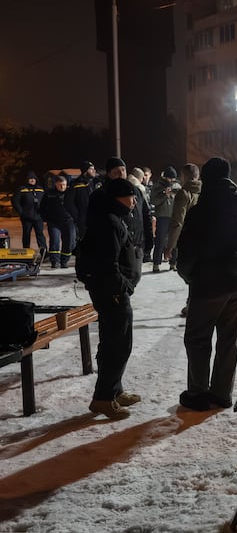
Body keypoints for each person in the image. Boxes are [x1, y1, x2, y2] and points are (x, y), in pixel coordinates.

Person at [175, 157, 237, 411]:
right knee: (228, 340)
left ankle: (198, 394)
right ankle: (222, 393)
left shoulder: (200, 211)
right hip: (235, 286)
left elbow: (186, 252)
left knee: (198, 339)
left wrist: (191, 276)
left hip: (206, 286)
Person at [75, 177, 142, 420]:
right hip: (112, 293)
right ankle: (103, 398)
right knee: (118, 344)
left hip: (112, 291)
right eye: (130, 196)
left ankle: (114, 390)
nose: (134, 200)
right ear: (118, 198)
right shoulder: (109, 222)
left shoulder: (112, 219)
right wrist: (123, 286)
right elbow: (107, 264)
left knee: (115, 341)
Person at [165, 163, 202, 317]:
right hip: (204, 239)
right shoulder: (205, 191)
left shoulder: (184, 193)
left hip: (188, 240)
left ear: (184, 176)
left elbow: (177, 222)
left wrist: (170, 246)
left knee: (188, 272)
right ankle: (194, 302)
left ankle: (193, 304)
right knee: (198, 273)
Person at [39, 174, 76, 268]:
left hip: (68, 221)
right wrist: (45, 218)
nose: (62, 187)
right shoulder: (49, 194)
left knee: (69, 241)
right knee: (54, 241)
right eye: (60, 185)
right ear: (55, 184)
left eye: (64, 184)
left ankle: (64, 261)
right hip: (53, 222)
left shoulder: (70, 193)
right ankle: (55, 261)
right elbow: (42, 207)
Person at [12, 171, 47, 250]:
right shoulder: (21, 189)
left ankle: (44, 252)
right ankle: (26, 251)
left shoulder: (40, 189)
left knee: (40, 234)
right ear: (27, 180)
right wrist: (21, 212)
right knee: (26, 234)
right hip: (26, 217)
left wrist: (44, 212)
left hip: (38, 217)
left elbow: (45, 201)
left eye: (33, 179)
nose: (32, 180)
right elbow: (15, 201)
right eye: (30, 179)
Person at [65, 161, 97, 241]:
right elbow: (68, 202)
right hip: (83, 220)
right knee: (85, 241)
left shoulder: (94, 183)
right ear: (85, 171)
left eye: (94, 169)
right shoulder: (75, 184)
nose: (94, 171)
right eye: (91, 169)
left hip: (95, 218)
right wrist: (78, 216)